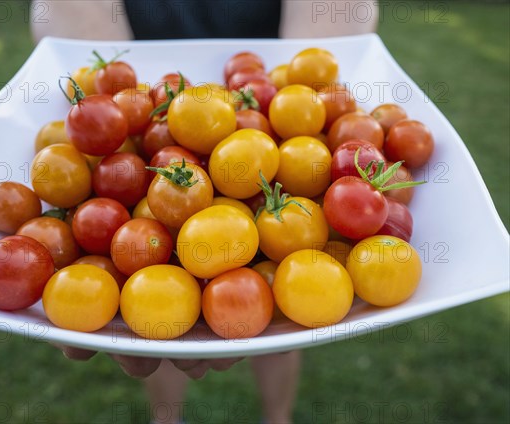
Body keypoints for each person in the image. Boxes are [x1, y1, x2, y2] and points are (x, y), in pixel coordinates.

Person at [33, 2, 378, 423]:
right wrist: (89, 74)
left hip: (268, 52)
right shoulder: (161, 162)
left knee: (287, 304)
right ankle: (168, 418)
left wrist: (317, 71)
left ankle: (277, 417)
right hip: (144, 51)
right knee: (162, 326)